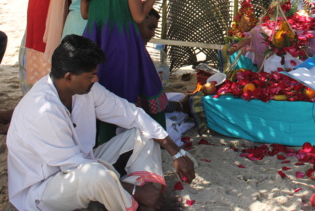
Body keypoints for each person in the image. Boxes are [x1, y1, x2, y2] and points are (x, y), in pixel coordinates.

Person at [7, 35, 195, 211]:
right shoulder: (44, 111)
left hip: (83, 164)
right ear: (68, 77)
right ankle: (138, 204)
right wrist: (134, 190)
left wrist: (176, 151)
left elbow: (130, 114)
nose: (95, 79)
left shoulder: (87, 90)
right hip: (44, 189)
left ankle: (148, 196)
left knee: (143, 134)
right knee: (97, 176)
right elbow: (76, 167)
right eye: (90, 76)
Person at [72, 0, 168, 144]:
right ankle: (144, 143)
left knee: (102, 88)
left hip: (94, 39)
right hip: (122, 42)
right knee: (131, 88)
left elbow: (85, 13)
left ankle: (100, 143)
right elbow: (137, 15)